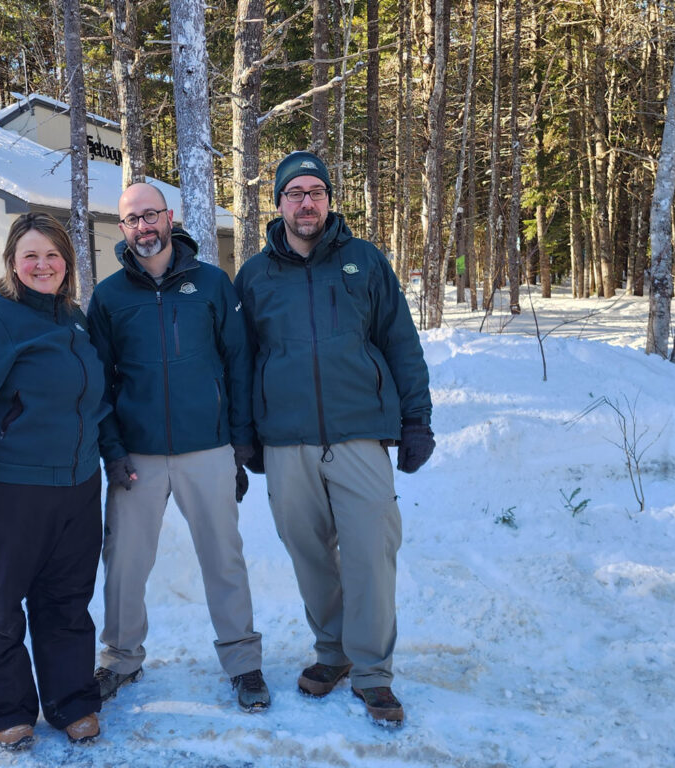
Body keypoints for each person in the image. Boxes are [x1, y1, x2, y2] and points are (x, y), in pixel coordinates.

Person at [233, 152, 435, 726]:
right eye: (294, 192)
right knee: (309, 553)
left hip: (358, 435)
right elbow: (243, 360)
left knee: (372, 551)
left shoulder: (364, 261)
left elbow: (400, 343)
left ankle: (373, 673)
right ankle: (333, 653)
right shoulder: (255, 274)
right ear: (278, 203)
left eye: (315, 191)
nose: (305, 202)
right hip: (286, 440)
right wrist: (244, 437)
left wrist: (415, 420)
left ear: (329, 199)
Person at [86, 182, 269, 712]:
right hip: (137, 455)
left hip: (206, 447)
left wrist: (239, 444)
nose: (143, 227)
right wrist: (112, 450)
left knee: (223, 557)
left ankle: (243, 662)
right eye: (131, 220)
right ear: (122, 229)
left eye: (150, 215)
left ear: (169, 218)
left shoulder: (212, 284)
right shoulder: (110, 296)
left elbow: (238, 363)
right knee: (124, 561)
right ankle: (120, 659)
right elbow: (99, 379)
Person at [0, 212, 108, 750]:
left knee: (66, 601)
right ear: (12, 261)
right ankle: (6, 710)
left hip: (76, 487)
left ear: (68, 263)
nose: (43, 265)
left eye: (53, 255)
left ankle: (72, 701)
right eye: (31, 255)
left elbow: (93, 403)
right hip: (4, 489)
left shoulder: (73, 318)